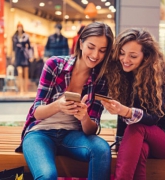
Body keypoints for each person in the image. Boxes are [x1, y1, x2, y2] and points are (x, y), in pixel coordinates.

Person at [15, 21, 115, 180]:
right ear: (81, 43)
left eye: (102, 50)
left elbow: (91, 130)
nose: (95, 55)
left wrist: (84, 117)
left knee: (101, 149)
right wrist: (58, 105)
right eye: (91, 47)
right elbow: (37, 112)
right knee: (47, 175)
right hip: (40, 133)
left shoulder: (101, 80)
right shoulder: (54, 65)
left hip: (72, 135)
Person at [101, 28, 165, 180]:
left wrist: (126, 112)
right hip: (143, 140)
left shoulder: (156, 77)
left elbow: (153, 118)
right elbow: (123, 118)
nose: (125, 59)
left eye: (133, 55)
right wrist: (121, 141)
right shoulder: (123, 76)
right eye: (122, 53)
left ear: (146, 56)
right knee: (140, 149)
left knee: (137, 126)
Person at [12, 22, 31, 94]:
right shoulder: (14, 36)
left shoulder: (26, 36)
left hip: (25, 56)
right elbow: (13, 48)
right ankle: (21, 89)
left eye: (20, 27)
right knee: (20, 72)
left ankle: (26, 89)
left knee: (26, 73)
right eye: (18, 27)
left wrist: (30, 55)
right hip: (18, 55)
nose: (19, 28)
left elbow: (29, 47)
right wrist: (13, 56)